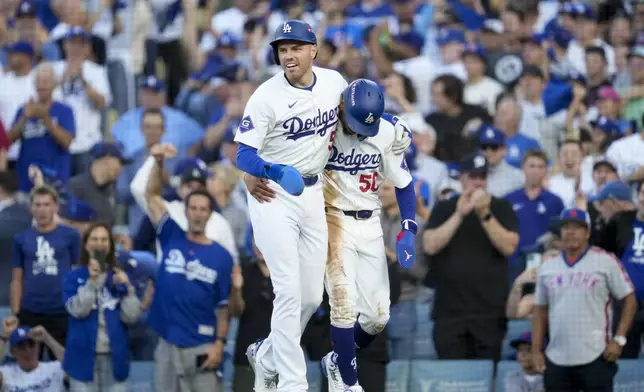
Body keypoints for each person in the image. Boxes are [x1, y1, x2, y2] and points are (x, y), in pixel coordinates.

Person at [235, 20, 410, 392]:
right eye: (283, 49)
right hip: (274, 194)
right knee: (288, 289)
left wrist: (392, 122)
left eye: (296, 47)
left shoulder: (332, 83)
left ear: (313, 50)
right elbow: (243, 153)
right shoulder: (266, 96)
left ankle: (266, 355)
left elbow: (361, 108)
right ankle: (292, 382)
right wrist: (268, 170)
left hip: (314, 194)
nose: (289, 55)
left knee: (313, 295)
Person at [316, 79, 417, 392]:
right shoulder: (321, 127)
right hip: (330, 218)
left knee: (377, 317)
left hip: (369, 220)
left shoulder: (386, 131)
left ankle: (338, 359)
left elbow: (402, 182)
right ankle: (348, 381)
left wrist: (408, 228)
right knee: (343, 304)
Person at [143, 143, 242, 392]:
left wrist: (220, 344)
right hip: (167, 342)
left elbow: (224, 309)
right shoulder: (171, 235)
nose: (198, 214)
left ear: (210, 214)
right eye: (193, 208)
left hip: (202, 345)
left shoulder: (222, 256)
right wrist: (157, 163)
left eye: (203, 209)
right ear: (185, 211)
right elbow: (152, 196)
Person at [423, 152, 519, 361]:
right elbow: (430, 245)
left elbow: (509, 247)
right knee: (451, 379)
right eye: (472, 177)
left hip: (489, 312)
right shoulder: (445, 207)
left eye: (482, 177)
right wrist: (459, 214)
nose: (478, 183)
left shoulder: (501, 207)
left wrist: (485, 214)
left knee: (486, 376)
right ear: (461, 178)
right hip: (450, 312)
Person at [532, 208, 637, 391]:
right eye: (566, 227)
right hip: (557, 356)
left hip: (596, 354)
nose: (571, 232)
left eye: (577, 227)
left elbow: (629, 299)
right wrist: (535, 349)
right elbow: (540, 310)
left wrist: (619, 339)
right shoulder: (548, 267)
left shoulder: (605, 261)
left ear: (587, 233)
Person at [62, 223, 142, 392]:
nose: (99, 243)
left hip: (115, 359)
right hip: (82, 360)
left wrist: (127, 287)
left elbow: (132, 317)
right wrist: (91, 282)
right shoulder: (72, 277)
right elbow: (78, 311)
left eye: (104, 239)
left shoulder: (119, 276)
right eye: (95, 239)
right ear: (86, 244)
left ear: (110, 246)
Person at [10, 185, 81, 357]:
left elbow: (78, 273)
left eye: (47, 204)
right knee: (29, 365)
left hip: (61, 310)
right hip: (30, 311)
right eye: (38, 205)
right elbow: (17, 279)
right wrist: (16, 313)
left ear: (56, 207)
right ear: (30, 208)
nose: (42, 210)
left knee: (63, 365)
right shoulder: (21, 239)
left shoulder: (71, 236)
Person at [598, 181, 644, 358]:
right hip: (624, 302)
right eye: (643, 193)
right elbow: (602, 254)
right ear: (638, 196)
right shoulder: (621, 221)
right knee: (623, 356)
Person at [0, 317, 66, 392]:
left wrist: (47, 338)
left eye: (31, 344)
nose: (28, 350)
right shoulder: (6, 373)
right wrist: (3, 337)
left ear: (38, 346)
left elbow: (75, 366)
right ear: (12, 352)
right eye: (21, 346)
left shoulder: (54, 368)